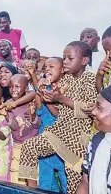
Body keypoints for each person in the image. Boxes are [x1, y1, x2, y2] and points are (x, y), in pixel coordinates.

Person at [19, 41, 97, 193]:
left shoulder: (90, 79)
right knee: (29, 147)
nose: (65, 61)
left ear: (84, 60)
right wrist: (49, 99)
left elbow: (89, 111)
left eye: (70, 58)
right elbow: (59, 112)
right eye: (64, 58)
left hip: (78, 137)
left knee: (74, 179)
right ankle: (31, 191)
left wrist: (61, 99)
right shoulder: (65, 80)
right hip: (60, 130)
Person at [34, 57, 67, 193]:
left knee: (66, 180)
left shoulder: (65, 90)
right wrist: (38, 90)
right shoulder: (45, 88)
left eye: (51, 67)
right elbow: (39, 109)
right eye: (46, 67)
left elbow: (57, 114)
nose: (47, 69)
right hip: (44, 138)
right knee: (44, 182)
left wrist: (46, 98)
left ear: (63, 70)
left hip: (60, 142)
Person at [4, 74, 41, 185]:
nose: (13, 90)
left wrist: (33, 115)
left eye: (17, 86)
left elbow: (37, 125)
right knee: (16, 179)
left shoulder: (31, 102)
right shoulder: (8, 104)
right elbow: (14, 127)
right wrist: (6, 114)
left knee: (30, 180)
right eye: (10, 86)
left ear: (26, 89)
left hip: (31, 148)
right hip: (17, 148)